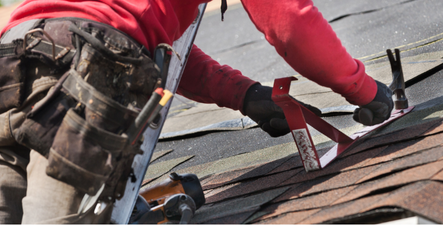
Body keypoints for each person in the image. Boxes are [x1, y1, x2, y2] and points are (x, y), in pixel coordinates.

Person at [0, 0, 393, 223]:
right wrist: (362, 89)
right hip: (90, 67)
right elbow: (290, 23)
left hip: (14, 56)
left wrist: (243, 94)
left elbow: (157, 46)